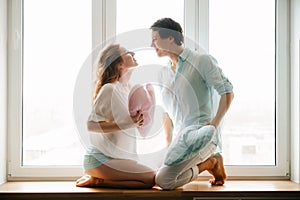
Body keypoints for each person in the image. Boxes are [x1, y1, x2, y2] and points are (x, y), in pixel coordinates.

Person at [150, 18, 234, 190]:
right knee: (149, 175)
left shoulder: (202, 61)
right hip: (180, 140)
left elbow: (227, 92)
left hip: (202, 137)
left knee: (164, 180)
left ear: (170, 38)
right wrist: (169, 146)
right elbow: (167, 112)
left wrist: (214, 125)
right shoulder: (163, 74)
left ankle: (210, 162)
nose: (152, 45)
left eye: (155, 39)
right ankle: (209, 162)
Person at [76, 43, 156, 189]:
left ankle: (99, 180)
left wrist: (139, 121)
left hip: (117, 158)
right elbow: (91, 125)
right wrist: (129, 123)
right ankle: (99, 180)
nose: (133, 51)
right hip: (100, 159)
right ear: (119, 64)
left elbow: (130, 123)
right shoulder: (109, 89)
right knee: (150, 178)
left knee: (150, 178)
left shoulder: (127, 89)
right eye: (127, 51)